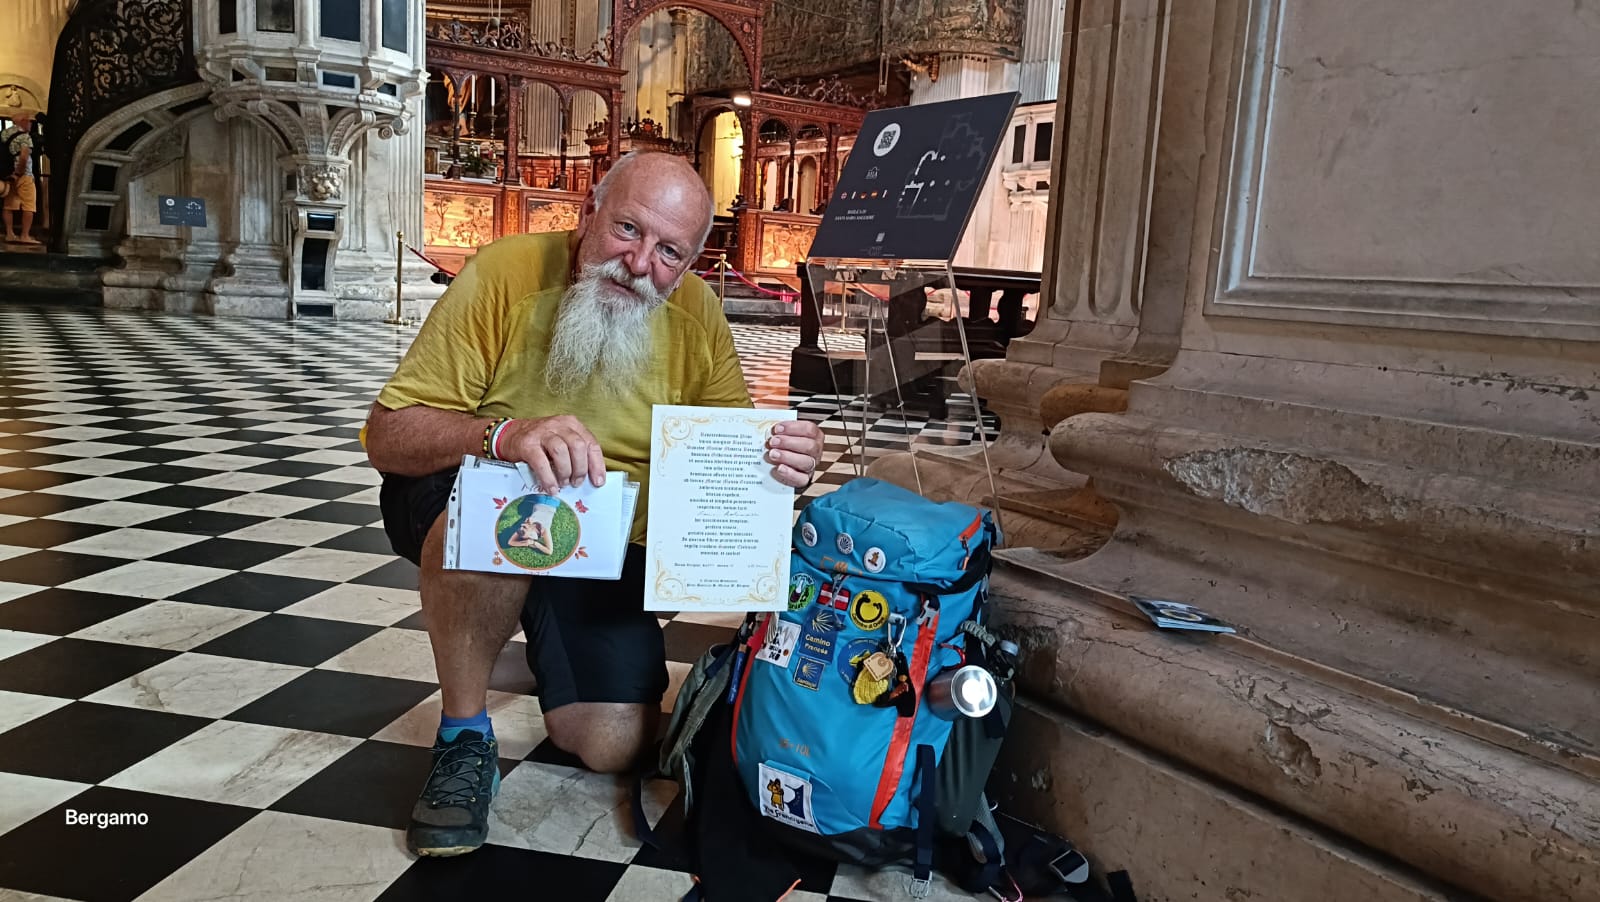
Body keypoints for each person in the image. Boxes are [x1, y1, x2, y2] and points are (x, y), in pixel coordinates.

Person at [363, 151, 824, 858]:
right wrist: (505, 436)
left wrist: (784, 460)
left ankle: (518, 635)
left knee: (613, 744)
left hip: (607, 541)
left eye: (669, 252)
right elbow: (388, 434)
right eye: (628, 230)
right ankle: (463, 734)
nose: (639, 264)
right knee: (504, 516)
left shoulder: (697, 313)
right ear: (588, 214)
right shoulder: (506, 272)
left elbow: (730, 453)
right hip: (476, 490)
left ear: (691, 265)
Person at [2, 113, 38, 245]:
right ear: (22, 121)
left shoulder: (4, 134)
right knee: (29, 205)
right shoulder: (24, 136)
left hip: (8, 175)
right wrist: (18, 173)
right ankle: (25, 235)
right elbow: (23, 157)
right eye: (29, 121)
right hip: (23, 174)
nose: (31, 124)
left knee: (9, 205)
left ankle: (9, 234)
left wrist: (12, 175)